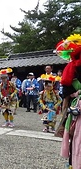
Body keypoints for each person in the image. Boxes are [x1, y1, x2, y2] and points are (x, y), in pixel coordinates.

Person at [56, 34, 81, 168]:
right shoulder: (71, 67)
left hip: (76, 105)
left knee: (76, 137)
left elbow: (66, 90)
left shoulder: (71, 68)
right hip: (76, 105)